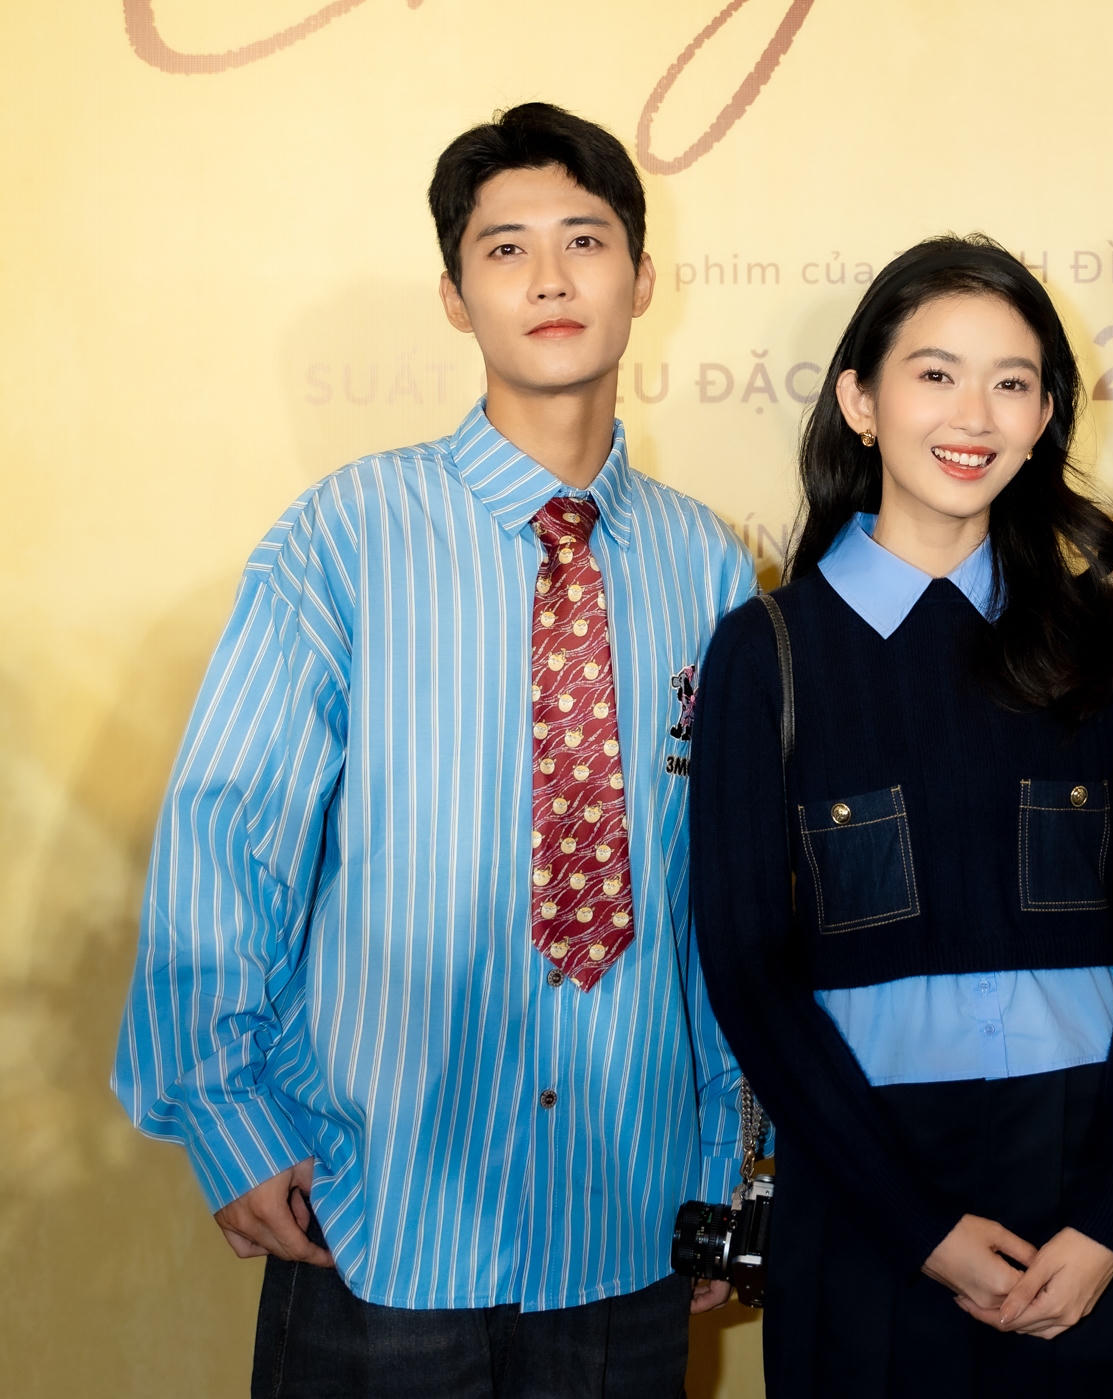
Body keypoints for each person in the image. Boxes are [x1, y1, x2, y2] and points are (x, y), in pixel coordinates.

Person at [112, 103, 753, 1397]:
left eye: (585, 239)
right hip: (378, 1214)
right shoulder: (343, 536)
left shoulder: (710, 566)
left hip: (627, 1220)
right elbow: (229, 829)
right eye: (506, 248)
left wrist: (725, 1157)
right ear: (457, 297)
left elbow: (725, 895)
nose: (551, 277)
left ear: (642, 277)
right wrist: (230, 1115)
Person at [689, 234, 1113, 1396]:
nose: (972, 415)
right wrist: (916, 1225)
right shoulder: (765, 654)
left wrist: (1111, 1220)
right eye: (934, 374)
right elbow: (747, 974)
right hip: (866, 1200)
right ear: (858, 402)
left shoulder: (1104, 641)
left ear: (1043, 419)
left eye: (1010, 382)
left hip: (1094, 1206)